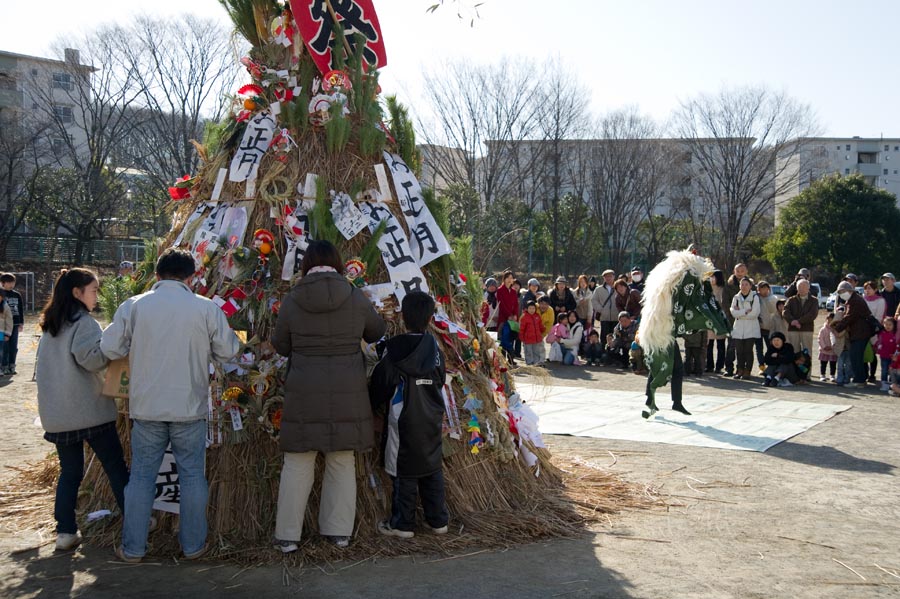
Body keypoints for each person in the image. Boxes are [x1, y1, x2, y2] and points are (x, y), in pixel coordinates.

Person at [102, 248, 241, 562]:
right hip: (189, 408)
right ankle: (193, 546)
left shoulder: (134, 306)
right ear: (191, 277)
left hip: (146, 407)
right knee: (192, 476)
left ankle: (133, 548)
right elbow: (229, 350)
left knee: (140, 478)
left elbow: (109, 347)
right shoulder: (204, 308)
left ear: (156, 275)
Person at [266, 240, 386, 552]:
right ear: (338, 264)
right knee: (342, 459)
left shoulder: (293, 299)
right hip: (348, 390)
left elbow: (281, 345)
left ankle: (288, 536)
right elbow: (376, 332)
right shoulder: (354, 296)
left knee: (298, 460)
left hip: (304, 391)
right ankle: (338, 532)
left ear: (306, 265)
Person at [35, 268, 129, 552]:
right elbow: (91, 360)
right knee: (115, 466)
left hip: (58, 416)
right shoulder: (83, 322)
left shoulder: (51, 324)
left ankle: (65, 531)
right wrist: (114, 348)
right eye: (93, 290)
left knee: (70, 473)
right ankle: (137, 519)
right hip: (88, 412)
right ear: (77, 293)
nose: (96, 296)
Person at [370, 291, 448, 539]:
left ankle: (402, 524)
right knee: (432, 467)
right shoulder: (436, 350)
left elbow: (380, 385)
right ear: (429, 318)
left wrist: (370, 406)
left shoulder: (394, 352)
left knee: (403, 472)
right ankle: (438, 521)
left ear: (403, 317)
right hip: (431, 417)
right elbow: (441, 379)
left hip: (403, 419)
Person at [831, 281, 871, 388]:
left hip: (861, 332)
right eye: (839, 292)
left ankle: (859, 380)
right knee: (856, 356)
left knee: (855, 356)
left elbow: (849, 317)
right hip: (860, 332)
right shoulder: (853, 300)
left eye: (842, 291)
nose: (841, 294)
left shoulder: (854, 301)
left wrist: (837, 328)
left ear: (849, 291)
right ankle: (861, 379)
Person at [729, 276, 760, 379]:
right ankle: (740, 369)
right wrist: (745, 311)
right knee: (739, 351)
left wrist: (740, 313)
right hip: (738, 328)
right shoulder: (736, 298)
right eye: (742, 284)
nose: (744, 286)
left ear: (751, 286)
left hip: (751, 328)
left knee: (748, 350)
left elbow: (755, 313)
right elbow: (733, 312)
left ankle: (747, 370)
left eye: (746, 284)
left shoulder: (755, 297)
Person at [721, 263, 748, 376]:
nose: (740, 273)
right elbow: (725, 303)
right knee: (731, 346)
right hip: (732, 320)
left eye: (742, 271)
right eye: (738, 271)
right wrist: (733, 313)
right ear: (734, 271)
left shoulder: (750, 284)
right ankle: (729, 368)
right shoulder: (729, 284)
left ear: (746, 272)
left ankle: (741, 368)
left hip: (747, 320)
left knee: (743, 347)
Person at [782, 279, 818, 354]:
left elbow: (812, 314)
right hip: (793, 330)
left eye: (804, 286)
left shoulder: (814, 300)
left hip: (807, 329)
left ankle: (806, 366)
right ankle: (794, 366)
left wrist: (798, 321)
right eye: (799, 287)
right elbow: (785, 312)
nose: (801, 289)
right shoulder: (791, 300)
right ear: (797, 288)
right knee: (794, 351)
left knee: (807, 352)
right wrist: (792, 321)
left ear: (808, 288)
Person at [0, 273, 24, 375]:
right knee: (4, 346)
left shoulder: (17, 294)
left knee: (13, 346)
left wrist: (21, 322)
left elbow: (21, 309)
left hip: (15, 324)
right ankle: (4, 366)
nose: (11, 285)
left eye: (13, 282)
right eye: (9, 282)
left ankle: (12, 365)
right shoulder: (1, 294)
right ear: (3, 283)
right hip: (3, 325)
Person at [863, 280, 886, 383]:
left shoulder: (880, 301)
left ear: (875, 289)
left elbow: (879, 317)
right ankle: (864, 373)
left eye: (869, 288)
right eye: (866, 288)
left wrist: (871, 329)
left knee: (872, 353)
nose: (867, 290)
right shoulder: (862, 299)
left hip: (874, 331)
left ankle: (872, 374)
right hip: (862, 330)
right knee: (863, 352)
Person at [495, 271, 519, 365]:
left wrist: (515, 315)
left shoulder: (513, 291)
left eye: (511, 278)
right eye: (508, 277)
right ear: (504, 279)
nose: (510, 280)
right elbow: (502, 305)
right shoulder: (500, 290)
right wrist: (509, 315)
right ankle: (510, 357)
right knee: (504, 337)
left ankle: (510, 359)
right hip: (504, 318)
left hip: (512, 319)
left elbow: (516, 305)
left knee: (510, 337)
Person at [705, 270, 727, 373]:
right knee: (708, 345)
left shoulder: (723, 289)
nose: (711, 279)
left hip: (719, 320)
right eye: (710, 277)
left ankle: (719, 366)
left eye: (713, 277)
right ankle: (709, 365)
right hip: (708, 320)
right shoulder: (706, 289)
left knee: (720, 344)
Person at [591, 269, 618, 344]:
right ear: (604, 278)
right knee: (604, 336)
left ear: (614, 277)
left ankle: (615, 353)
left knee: (616, 336)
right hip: (604, 317)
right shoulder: (598, 289)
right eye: (606, 277)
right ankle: (604, 352)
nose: (608, 278)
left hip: (616, 317)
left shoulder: (618, 287)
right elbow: (594, 300)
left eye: (610, 276)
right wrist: (600, 309)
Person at [755, 281, 777, 373]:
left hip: (769, 328)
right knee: (758, 349)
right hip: (758, 328)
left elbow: (773, 311)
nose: (764, 291)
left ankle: (770, 365)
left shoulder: (772, 299)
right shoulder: (755, 298)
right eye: (761, 289)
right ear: (758, 289)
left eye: (765, 288)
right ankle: (761, 366)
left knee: (770, 348)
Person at [518, 300, 546, 366]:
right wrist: (521, 337)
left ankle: (536, 363)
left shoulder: (537, 316)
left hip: (536, 338)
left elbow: (540, 325)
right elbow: (521, 329)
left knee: (536, 351)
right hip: (528, 338)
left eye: (533, 308)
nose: (531, 310)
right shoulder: (524, 317)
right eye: (530, 308)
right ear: (527, 309)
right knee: (528, 351)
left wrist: (543, 329)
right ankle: (529, 363)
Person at [874, 317, 898, 391]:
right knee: (884, 370)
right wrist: (876, 347)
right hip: (883, 355)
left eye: (890, 324)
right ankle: (884, 383)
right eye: (886, 324)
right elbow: (878, 342)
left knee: (892, 370)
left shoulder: (895, 335)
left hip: (892, 356)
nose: (887, 326)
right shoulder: (882, 334)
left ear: (894, 325)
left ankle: (892, 384)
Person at [831, 307, 851, 386]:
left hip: (848, 349)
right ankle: (840, 379)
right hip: (840, 350)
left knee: (848, 366)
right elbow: (838, 335)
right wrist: (844, 330)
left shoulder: (848, 329)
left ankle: (847, 379)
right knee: (840, 366)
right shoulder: (835, 330)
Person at [817, 313, 838, 381]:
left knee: (833, 364)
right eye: (828, 319)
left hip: (832, 350)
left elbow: (836, 339)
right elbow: (820, 339)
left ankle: (832, 375)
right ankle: (822, 375)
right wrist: (824, 346)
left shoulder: (835, 329)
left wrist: (832, 347)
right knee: (823, 363)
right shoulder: (823, 329)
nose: (829, 321)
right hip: (824, 350)